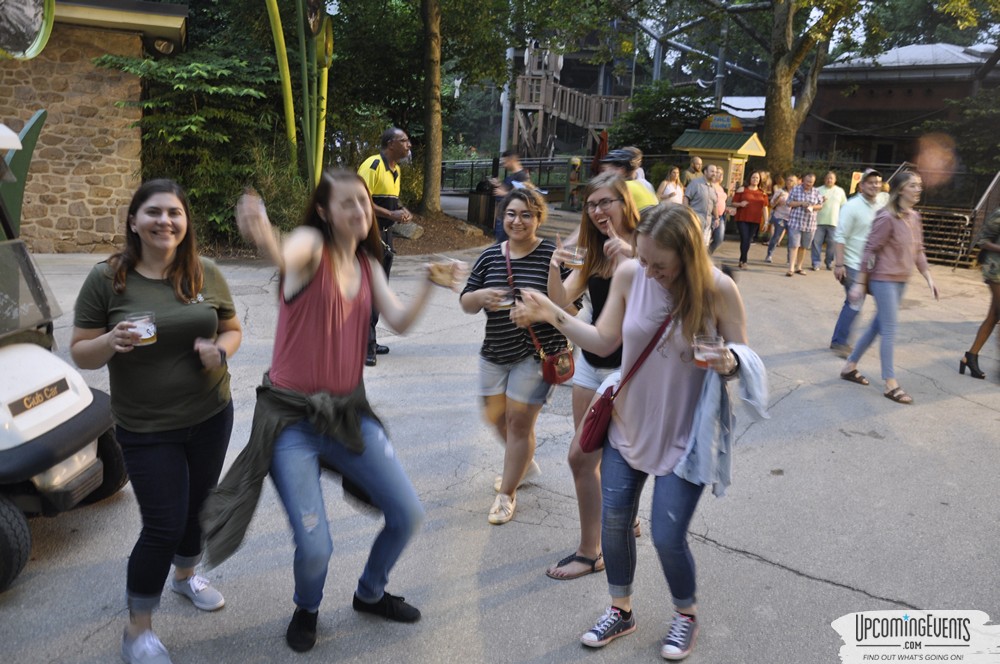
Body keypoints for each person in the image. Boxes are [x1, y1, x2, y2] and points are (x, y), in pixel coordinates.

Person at [511, 202, 766, 661]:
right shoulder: (631, 275)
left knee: (668, 536)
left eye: (660, 265)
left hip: (686, 437)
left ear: (687, 257)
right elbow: (603, 342)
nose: (648, 272)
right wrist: (551, 313)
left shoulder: (719, 289)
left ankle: (685, 614)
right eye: (643, 260)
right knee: (615, 523)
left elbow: (744, 356)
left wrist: (730, 361)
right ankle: (621, 609)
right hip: (628, 424)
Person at [231, 170, 451, 653]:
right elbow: (287, 254)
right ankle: (307, 607)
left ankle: (370, 592)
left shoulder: (369, 265)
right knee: (315, 547)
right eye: (346, 202)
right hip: (292, 421)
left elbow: (400, 321)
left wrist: (431, 284)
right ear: (326, 212)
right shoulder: (311, 246)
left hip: (349, 416)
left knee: (407, 514)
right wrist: (264, 230)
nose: (359, 210)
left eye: (365, 202)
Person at [70, 179, 243, 664]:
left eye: (174, 213)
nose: (165, 221)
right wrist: (110, 342)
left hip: (210, 414)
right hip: (146, 427)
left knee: (198, 508)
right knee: (163, 525)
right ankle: (137, 631)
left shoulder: (203, 272)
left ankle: (186, 578)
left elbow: (231, 327)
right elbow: (81, 352)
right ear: (133, 221)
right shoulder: (108, 279)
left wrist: (219, 351)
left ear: (185, 222)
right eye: (154, 212)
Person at [544, 172, 639, 580]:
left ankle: (592, 550)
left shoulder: (646, 245)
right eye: (592, 204)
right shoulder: (595, 251)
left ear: (625, 203)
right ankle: (611, 527)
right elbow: (560, 300)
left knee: (612, 453)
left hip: (627, 367)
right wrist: (553, 265)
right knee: (587, 457)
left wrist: (634, 255)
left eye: (607, 202)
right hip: (589, 361)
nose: (599, 211)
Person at [460, 187, 572, 525]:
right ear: (502, 217)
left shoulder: (553, 254)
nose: (517, 220)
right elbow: (466, 302)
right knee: (494, 416)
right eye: (511, 214)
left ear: (538, 218)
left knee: (518, 423)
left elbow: (571, 308)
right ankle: (522, 463)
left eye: (526, 214)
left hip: (536, 355)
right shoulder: (492, 256)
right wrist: (482, 295)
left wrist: (541, 307)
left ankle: (506, 495)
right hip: (495, 351)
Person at [839, 171, 938, 405]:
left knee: (876, 326)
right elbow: (870, 251)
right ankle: (890, 383)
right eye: (913, 185)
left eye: (919, 185)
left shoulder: (914, 217)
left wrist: (929, 278)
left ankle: (849, 366)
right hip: (883, 280)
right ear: (901, 189)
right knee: (890, 329)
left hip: (902, 280)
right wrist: (861, 283)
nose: (918, 189)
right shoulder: (886, 217)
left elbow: (919, 250)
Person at [358, 127, 414, 366]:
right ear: (391, 144)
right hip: (368, 236)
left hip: (386, 235)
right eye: (404, 141)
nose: (409, 145)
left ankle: (369, 339)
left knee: (380, 290)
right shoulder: (372, 165)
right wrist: (391, 212)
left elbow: (392, 199)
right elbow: (361, 200)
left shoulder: (396, 170)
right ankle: (365, 346)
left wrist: (401, 210)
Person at [830, 168, 883, 358]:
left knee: (856, 302)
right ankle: (840, 343)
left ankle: (839, 340)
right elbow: (840, 236)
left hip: (871, 266)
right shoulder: (851, 206)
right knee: (855, 303)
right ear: (861, 186)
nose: (874, 185)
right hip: (852, 264)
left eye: (877, 182)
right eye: (870, 182)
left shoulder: (881, 205)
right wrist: (839, 264)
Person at [959, 206, 1000, 378]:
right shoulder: (998, 214)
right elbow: (981, 240)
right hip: (996, 270)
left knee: (994, 316)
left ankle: (970, 356)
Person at [785, 173, 824, 276]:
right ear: (803, 180)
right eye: (807, 181)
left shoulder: (816, 192)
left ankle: (799, 267)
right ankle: (791, 268)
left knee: (804, 246)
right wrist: (801, 203)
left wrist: (812, 207)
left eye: (811, 182)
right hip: (795, 222)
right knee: (794, 245)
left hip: (809, 224)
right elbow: (788, 202)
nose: (809, 184)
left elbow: (820, 205)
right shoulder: (796, 189)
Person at [491, 149, 532, 242]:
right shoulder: (513, 175)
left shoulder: (522, 176)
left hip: (509, 216)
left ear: (511, 160)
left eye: (505, 162)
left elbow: (521, 194)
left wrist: (503, 193)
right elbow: (510, 190)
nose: (504, 165)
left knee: (503, 244)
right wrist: (498, 184)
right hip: (503, 215)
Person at [731, 171, 770, 268]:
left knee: (748, 239)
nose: (755, 180)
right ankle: (744, 261)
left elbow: (765, 208)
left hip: (755, 219)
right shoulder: (742, 189)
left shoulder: (762, 193)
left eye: (757, 178)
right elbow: (733, 203)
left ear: (760, 180)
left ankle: (742, 259)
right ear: (749, 178)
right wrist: (740, 204)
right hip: (742, 218)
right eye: (753, 177)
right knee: (744, 238)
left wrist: (766, 221)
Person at [812, 171, 847, 270]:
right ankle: (816, 262)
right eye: (828, 178)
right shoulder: (817, 190)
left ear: (835, 180)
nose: (829, 180)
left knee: (832, 244)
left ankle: (829, 261)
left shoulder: (840, 191)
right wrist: (820, 201)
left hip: (834, 222)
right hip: (818, 221)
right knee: (816, 242)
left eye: (831, 178)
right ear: (824, 179)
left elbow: (844, 206)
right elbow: (811, 203)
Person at [684, 163, 718, 247]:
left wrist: (717, 218)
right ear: (705, 172)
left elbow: (714, 205)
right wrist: (687, 214)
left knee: (703, 247)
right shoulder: (695, 183)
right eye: (712, 171)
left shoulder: (713, 188)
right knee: (693, 245)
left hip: (708, 222)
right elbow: (686, 198)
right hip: (695, 219)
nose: (714, 174)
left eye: (715, 172)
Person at [765, 174, 796, 264]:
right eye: (788, 180)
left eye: (791, 180)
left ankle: (789, 259)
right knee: (776, 237)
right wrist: (778, 200)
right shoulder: (780, 191)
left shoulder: (797, 193)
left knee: (792, 239)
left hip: (792, 219)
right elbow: (772, 204)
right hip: (780, 217)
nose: (789, 182)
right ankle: (769, 255)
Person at [707, 166, 729, 255]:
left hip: (721, 216)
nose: (720, 175)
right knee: (706, 238)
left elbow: (722, 201)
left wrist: (727, 209)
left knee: (719, 238)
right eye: (718, 173)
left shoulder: (721, 188)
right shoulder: (710, 186)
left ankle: (706, 254)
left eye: (722, 174)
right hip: (710, 215)